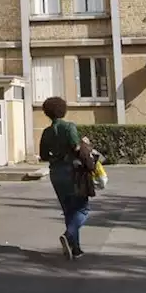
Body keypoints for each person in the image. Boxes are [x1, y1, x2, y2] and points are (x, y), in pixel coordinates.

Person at [39, 97, 97, 260]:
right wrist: (85, 144)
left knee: (68, 211)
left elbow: (43, 155)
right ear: (63, 109)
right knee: (83, 209)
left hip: (55, 173)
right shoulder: (69, 127)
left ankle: (76, 249)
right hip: (72, 172)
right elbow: (76, 148)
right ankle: (68, 234)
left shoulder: (46, 132)